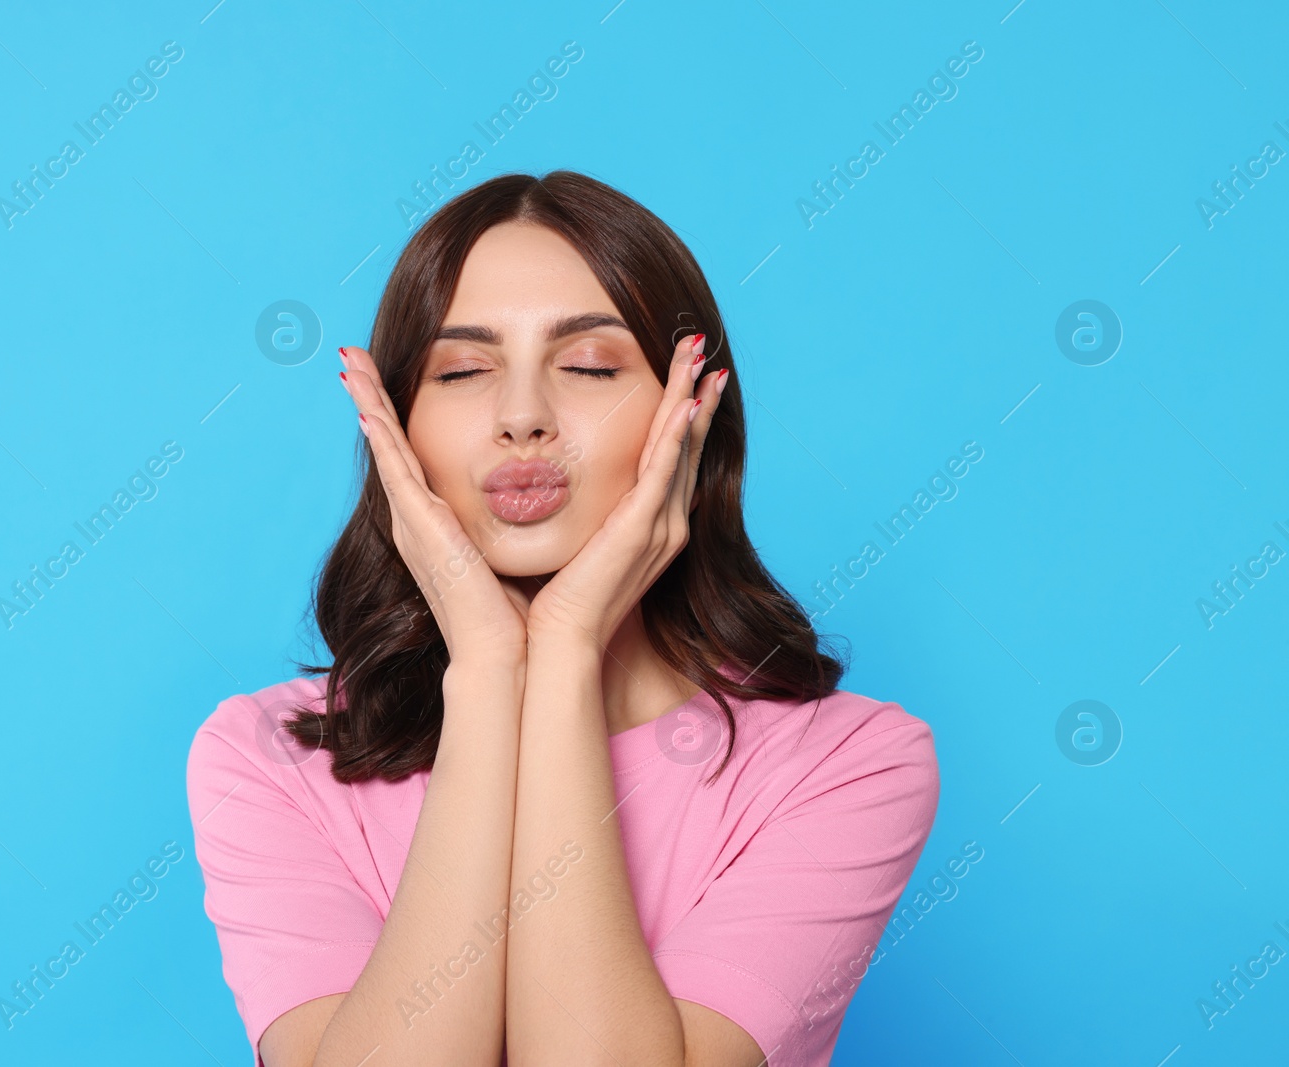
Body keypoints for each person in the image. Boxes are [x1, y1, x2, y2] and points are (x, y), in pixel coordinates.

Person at [186, 170, 940, 1067]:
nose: (522, 418)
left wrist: (568, 648)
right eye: (462, 370)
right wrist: (489, 668)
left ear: (689, 413)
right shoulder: (263, 759)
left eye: (587, 366)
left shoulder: (850, 766)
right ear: (395, 422)